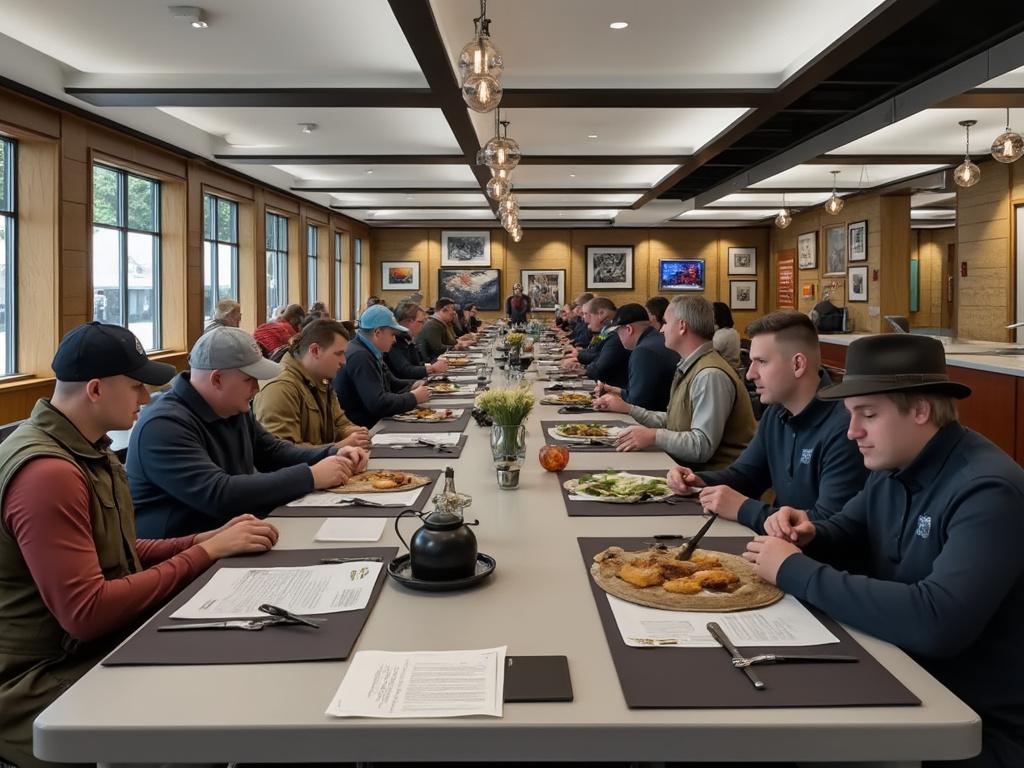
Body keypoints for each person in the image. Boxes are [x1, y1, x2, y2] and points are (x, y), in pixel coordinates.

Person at [0, 322, 279, 768]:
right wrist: (201, 555)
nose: (146, 399)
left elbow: (118, 552)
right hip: (38, 686)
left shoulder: (85, 450)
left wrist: (203, 540)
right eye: (135, 387)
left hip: (82, 652)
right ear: (95, 389)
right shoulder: (49, 474)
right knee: (225, 696)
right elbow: (87, 612)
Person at [744, 334, 1024, 768]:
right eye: (851, 416)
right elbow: (848, 530)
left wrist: (793, 570)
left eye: (868, 415)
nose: (853, 431)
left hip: (970, 724)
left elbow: (936, 620)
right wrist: (808, 532)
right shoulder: (894, 465)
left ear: (920, 410)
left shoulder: (988, 491)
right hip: (898, 673)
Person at [129, 326, 367, 538]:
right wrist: (311, 476)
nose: (256, 388)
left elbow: (271, 452)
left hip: (236, 537)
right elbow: (219, 495)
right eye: (249, 379)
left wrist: (333, 453)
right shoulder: (163, 426)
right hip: (186, 563)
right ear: (217, 379)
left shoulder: (232, 406)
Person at [666, 311, 867, 533]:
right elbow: (747, 476)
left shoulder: (846, 429)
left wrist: (743, 508)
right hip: (778, 547)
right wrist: (697, 480)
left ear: (798, 364)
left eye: (761, 362)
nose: (750, 374)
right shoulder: (776, 412)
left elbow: (826, 524)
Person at [593, 295, 755, 469]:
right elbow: (675, 421)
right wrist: (629, 409)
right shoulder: (692, 364)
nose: (661, 330)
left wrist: (653, 436)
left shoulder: (710, 374)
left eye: (666, 323)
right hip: (687, 471)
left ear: (682, 326)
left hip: (711, 482)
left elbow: (701, 446)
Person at [252, 320, 371, 450]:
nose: (343, 361)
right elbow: (281, 454)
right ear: (315, 351)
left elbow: (339, 424)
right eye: (338, 354)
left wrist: (353, 433)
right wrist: (336, 448)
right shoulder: (280, 389)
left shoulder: (321, 379)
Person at [334, 305, 431, 427]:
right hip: (365, 428)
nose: (394, 339)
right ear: (378, 333)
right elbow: (378, 404)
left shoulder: (370, 350)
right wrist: (413, 398)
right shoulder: (360, 356)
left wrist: (413, 384)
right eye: (392, 334)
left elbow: (391, 382)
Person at [593, 303, 679, 411]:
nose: (618, 337)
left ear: (629, 329)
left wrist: (612, 400)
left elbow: (638, 403)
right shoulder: (657, 340)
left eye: (618, 332)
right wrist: (615, 391)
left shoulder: (643, 351)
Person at [561, 298, 628, 386]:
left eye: (586, 314)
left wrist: (580, 362)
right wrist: (579, 355)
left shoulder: (616, 332)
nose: (585, 320)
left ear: (602, 313)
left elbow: (601, 364)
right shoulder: (606, 330)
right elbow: (594, 347)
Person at [385, 301, 450, 380]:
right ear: (408, 321)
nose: (424, 325)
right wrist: (432, 368)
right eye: (421, 322)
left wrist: (436, 363)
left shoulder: (408, 338)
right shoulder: (393, 340)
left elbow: (418, 363)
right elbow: (404, 370)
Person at [416, 298, 470, 362]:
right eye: (453, 309)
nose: (454, 312)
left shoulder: (439, 323)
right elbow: (438, 348)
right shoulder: (433, 325)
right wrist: (456, 347)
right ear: (443, 310)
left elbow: (447, 342)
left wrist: (459, 343)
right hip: (432, 363)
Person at [712, 301, 742, 374]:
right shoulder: (733, 331)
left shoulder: (722, 335)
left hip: (723, 372)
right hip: (732, 371)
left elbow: (706, 353)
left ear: (716, 316)